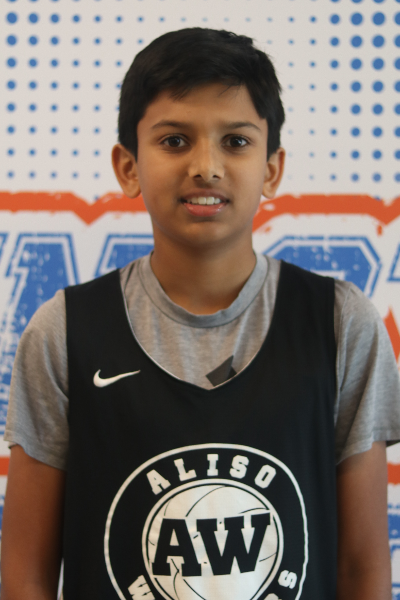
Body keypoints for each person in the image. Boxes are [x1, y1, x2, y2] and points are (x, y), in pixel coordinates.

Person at [1, 28, 399, 600]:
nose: (206, 166)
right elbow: (26, 575)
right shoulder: (64, 332)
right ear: (128, 166)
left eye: (235, 141)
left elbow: (362, 568)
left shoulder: (339, 323)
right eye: (174, 140)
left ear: (271, 168)